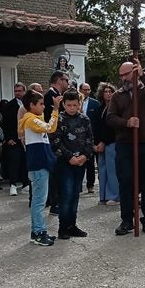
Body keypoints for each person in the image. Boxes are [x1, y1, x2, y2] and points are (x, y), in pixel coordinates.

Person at [107, 58, 145, 235]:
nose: (123, 78)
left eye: (127, 74)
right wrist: (126, 122)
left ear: (135, 72)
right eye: (121, 75)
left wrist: (144, 77)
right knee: (126, 183)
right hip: (125, 144)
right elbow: (110, 118)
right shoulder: (117, 95)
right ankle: (126, 220)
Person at [20, 89, 62, 246]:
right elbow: (50, 128)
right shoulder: (31, 120)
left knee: (40, 200)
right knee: (39, 202)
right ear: (32, 105)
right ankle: (39, 232)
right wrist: (56, 110)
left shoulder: (34, 118)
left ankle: (37, 231)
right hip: (38, 165)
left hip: (40, 164)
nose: (44, 107)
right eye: (41, 104)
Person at [52, 90, 94, 239]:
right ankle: (63, 227)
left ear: (79, 104)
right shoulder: (59, 119)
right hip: (65, 163)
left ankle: (72, 225)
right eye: (68, 105)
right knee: (66, 195)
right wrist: (69, 157)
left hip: (80, 162)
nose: (71, 108)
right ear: (63, 104)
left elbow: (89, 140)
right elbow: (55, 141)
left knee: (75, 195)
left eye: (74, 105)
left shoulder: (84, 119)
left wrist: (84, 156)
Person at [45, 70, 70, 213]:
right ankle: (55, 203)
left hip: (61, 139)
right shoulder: (50, 96)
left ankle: (59, 200)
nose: (67, 83)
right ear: (59, 81)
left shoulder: (58, 96)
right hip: (54, 139)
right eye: (66, 80)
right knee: (55, 172)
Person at [93, 82, 120, 206]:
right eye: (106, 92)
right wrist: (96, 143)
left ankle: (114, 196)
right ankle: (103, 196)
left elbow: (113, 128)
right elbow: (96, 127)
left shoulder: (116, 109)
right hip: (100, 144)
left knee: (112, 170)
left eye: (110, 91)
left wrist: (104, 141)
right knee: (102, 170)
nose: (108, 94)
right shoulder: (100, 109)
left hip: (111, 142)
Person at [1, 82, 28, 196]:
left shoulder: (29, 104)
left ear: (24, 91)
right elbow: (5, 123)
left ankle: (26, 183)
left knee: (25, 161)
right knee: (14, 161)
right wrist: (8, 138)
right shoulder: (9, 105)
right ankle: (13, 184)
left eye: (19, 91)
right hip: (14, 138)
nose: (17, 93)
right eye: (16, 91)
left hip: (27, 138)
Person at [80, 82, 101, 194]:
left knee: (91, 163)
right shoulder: (75, 102)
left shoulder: (95, 103)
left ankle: (90, 184)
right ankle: (78, 186)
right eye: (84, 89)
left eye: (88, 90)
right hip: (78, 136)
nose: (87, 92)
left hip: (92, 136)